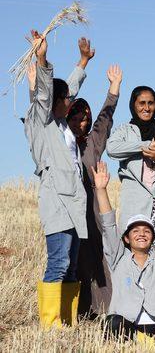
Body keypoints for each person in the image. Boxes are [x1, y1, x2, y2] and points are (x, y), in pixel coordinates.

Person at [24, 31, 94, 328]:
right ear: (56, 100)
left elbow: (70, 88)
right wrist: (41, 58)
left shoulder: (63, 124)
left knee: (72, 264)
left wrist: (82, 62)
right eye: (65, 98)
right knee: (59, 262)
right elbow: (43, 94)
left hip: (73, 202)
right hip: (56, 201)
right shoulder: (41, 121)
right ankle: (50, 326)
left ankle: (68, 321)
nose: (71, 101)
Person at [94, 162, 155, 350]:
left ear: (152, 238)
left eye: (147, 231)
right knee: (112, 323)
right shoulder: (118, 258)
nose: (141, 234)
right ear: (126, 238)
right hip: (129, 322)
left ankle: (148, 343)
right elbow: (108, 226)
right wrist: (101, 190)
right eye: (135, 231)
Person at [67, 64, 122, 317]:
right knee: (70, 256)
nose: (81, 123)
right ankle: (74, 311)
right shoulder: (60, 141)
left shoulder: (92, 142)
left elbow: (105, 120)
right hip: (67, 206)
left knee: (98, 256)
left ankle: (103, 310)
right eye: (75, 119)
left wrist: (114, 89)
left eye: (84, 119)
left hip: (92, 206)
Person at [106, 85, 155, 228]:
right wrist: (146, 145)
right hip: (134, 207)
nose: (147, 108)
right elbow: (112, 149)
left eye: (151, 103)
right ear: (133, 105)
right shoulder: (124, 131)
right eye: (141, 103)